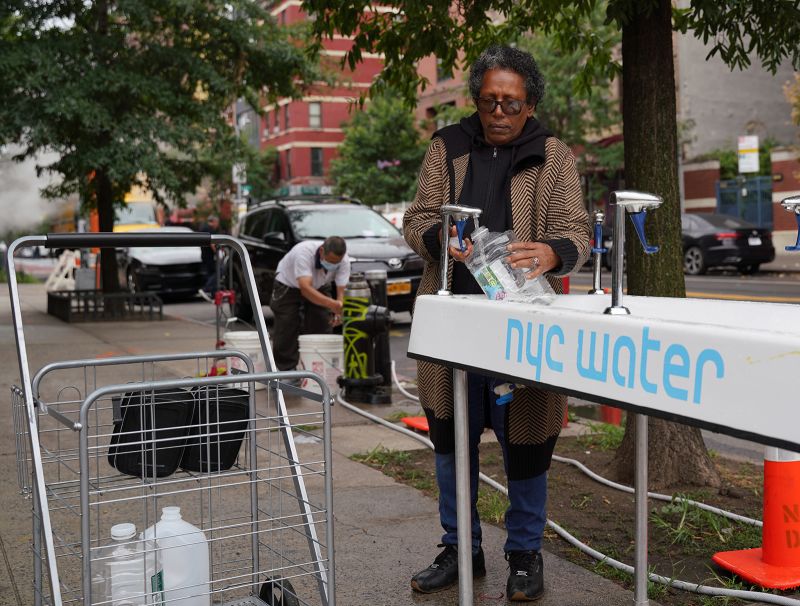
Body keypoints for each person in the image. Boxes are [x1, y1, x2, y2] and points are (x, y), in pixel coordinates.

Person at [403, 45, 591, 601]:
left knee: (528, 443)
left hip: (524, 331)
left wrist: (553, 254)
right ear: (477, 100)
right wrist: (442, 240)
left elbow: (577, 233)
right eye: (490, 101)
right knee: (450, 440)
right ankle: (461, 549)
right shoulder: (449, 146)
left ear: (530, 104)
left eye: (512, 102)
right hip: (454, 328)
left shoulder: (552, 155)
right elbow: (416, 220)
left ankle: (525, 554)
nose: (500, 113)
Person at [269, 236, 350, 373]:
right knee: (287, 324)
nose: (333, 266)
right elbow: (305, 289)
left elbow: (341, 289)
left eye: (336, 263)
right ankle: (287, 369)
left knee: (323, 322)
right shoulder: (304, 253)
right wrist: (332, 304)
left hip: (320, 285)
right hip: (289, 284)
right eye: (330, 262)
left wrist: (339, 308)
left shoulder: (344, 260)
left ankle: (319, 365)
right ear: (322, 251)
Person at [198, 214, 221, 302]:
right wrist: (217, 252)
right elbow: (212, 243)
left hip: (204, 255)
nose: (217, 225)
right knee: (218, 272)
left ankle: (212, 294)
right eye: (217, 223)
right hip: (209, 256)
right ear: (214, 221)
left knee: (210, 273)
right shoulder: (210, 230)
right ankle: (206, 289)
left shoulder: (203, 228)